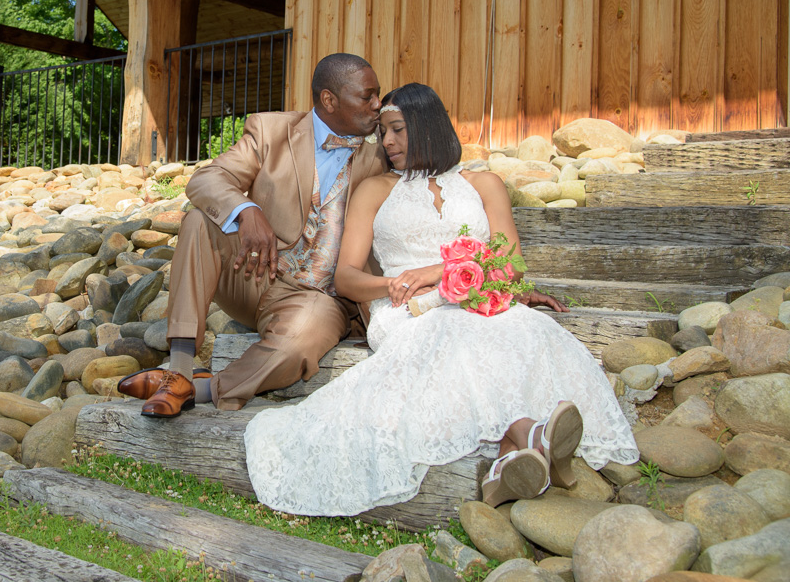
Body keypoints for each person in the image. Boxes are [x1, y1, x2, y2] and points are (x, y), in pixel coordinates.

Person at [243, 83, 639, 516]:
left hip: (475, 300)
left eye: (397, 130)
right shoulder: (375, 190)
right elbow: (347, 277)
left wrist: (443, 274)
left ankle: (508, 458)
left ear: (427, 126)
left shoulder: (485, 184)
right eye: (382, 133)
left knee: (524, 326)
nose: (387, 142)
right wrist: (391, 285)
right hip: (407, 312)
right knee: (453, 328)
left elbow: (510, 263)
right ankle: (529, 435)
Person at [119, 53, 388, 416]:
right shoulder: (271, 131)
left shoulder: (384, 155)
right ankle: (180, 364)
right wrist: (246, 211)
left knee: (297, 344)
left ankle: (194, 389)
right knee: (200, 222)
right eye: (368, 96)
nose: (377, 105)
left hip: (319, 297)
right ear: (329, 99)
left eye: (378, 96)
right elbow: (207, 179)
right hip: (256, 273)